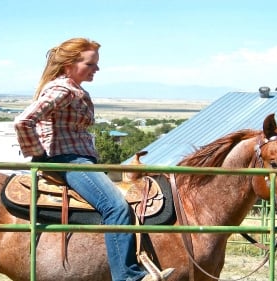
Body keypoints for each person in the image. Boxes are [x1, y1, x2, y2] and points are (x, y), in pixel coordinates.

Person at [14, 37, 173, 281]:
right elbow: (24, 121)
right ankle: (127, 277)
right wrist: (37, 155)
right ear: (69, 64)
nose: (96, 69)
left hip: (79, 160)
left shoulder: (73, 89)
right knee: (116, 208)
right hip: (69, 160)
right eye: (90, 64)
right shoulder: (62, 90)